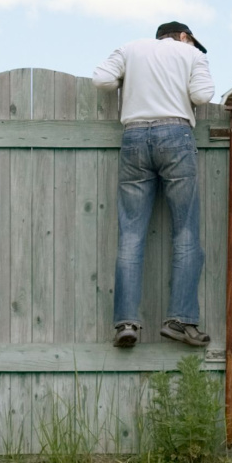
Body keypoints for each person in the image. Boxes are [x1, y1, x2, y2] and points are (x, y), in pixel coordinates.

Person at [93, 21, 215, 348]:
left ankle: (126, 324)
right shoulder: (191, 54)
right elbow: (202, 95)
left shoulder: (130, 48)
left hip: (133, 135)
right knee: (186, 231)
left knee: (131, 234)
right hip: (175, 134)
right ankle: (180, 320)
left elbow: (102, 79)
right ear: (185, 37)